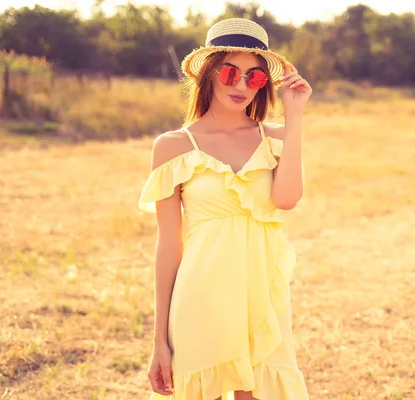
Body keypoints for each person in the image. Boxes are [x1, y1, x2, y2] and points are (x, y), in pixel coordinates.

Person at [137, 18, 312, 400]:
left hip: (261, 296)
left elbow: (286, 200)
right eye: (231, 72)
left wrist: (294, 114)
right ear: (210, 73)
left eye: (255, 78)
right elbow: (168, 245)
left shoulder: (278, 137)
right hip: (200, 296)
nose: (241, 85)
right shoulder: (173, 146)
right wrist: (159, 340)